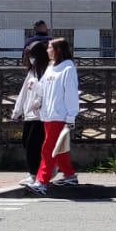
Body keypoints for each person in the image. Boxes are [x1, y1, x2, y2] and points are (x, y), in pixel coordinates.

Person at [35, 36, 81, 188]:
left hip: (60, 115)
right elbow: (42, 87)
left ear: (57, 50)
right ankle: (69, 175)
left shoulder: (68, 69)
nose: (47, 50)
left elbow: (71, 93)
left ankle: (42, 180)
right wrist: (35, 91)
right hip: (49, 114)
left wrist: (71, 116)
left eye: (50, 47)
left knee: (48, 149)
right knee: (59, 148)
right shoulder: (51, 67)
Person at [11, 40, 50, 193]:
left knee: (33, 146)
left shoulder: (47, 72)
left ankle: (35, 174)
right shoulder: (33, 71)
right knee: (27, 143)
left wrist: (38, 101)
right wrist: (17, 111)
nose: (29, 59)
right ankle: (35, 172)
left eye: (31, 56)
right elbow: (23, 93)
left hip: (40, 116)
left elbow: (46, 92)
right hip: (29, 115)